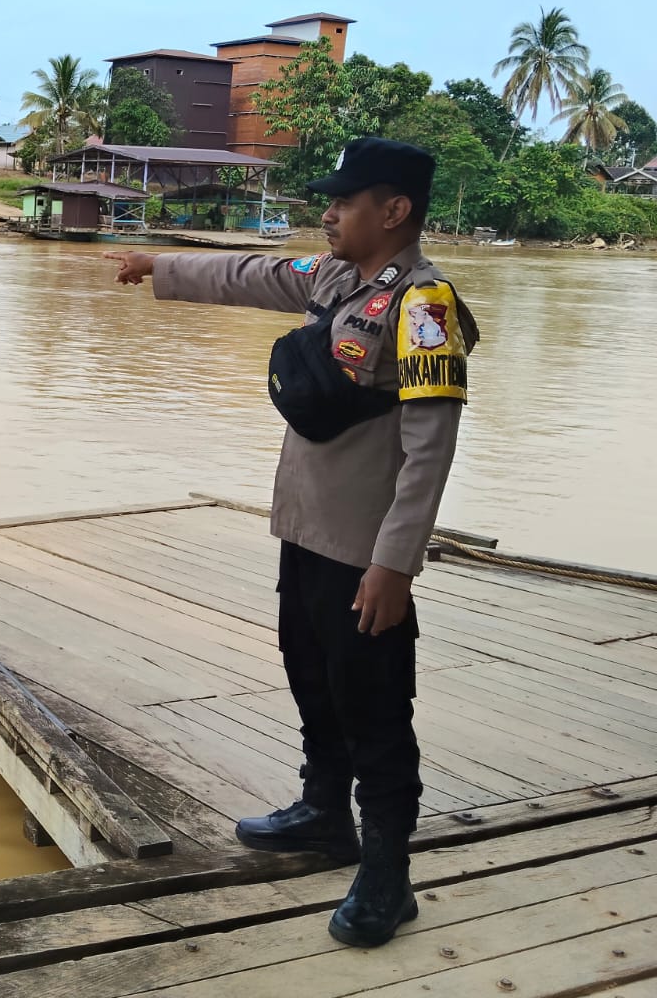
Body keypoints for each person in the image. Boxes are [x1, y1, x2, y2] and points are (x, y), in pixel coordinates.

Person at [106, 137, 477, 948]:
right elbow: (253, 274)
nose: (330, 212)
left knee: (374, 707)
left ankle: (387, 873)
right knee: (310, 673)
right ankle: (322, 813)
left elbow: (430, 446)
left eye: (346, 201)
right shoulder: (338, 278)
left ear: (395, 211)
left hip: (363, 551)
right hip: (304, 531)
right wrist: (156, 266)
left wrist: (394, 563)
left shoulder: (425, 306)